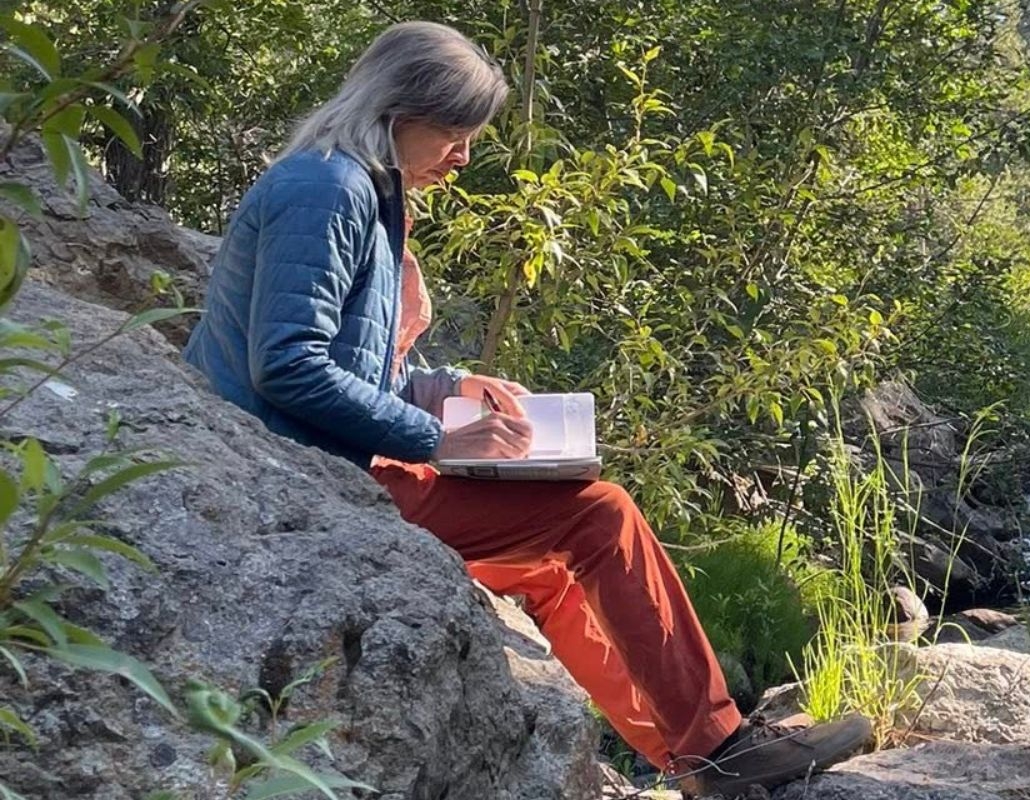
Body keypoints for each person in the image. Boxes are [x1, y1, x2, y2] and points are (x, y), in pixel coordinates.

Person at [181, 21, 871, 797]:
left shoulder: (356, 186)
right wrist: (437, 436)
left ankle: (698, 760)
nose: (465, 156)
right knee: (597, 515)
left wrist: (449, 388)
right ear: (398, 109)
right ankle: (718, 747)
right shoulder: (328, 190)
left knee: (549, 571)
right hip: (298, 487)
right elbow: (286, 367)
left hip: (321, 466)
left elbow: (344, 365)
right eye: (456, 132)